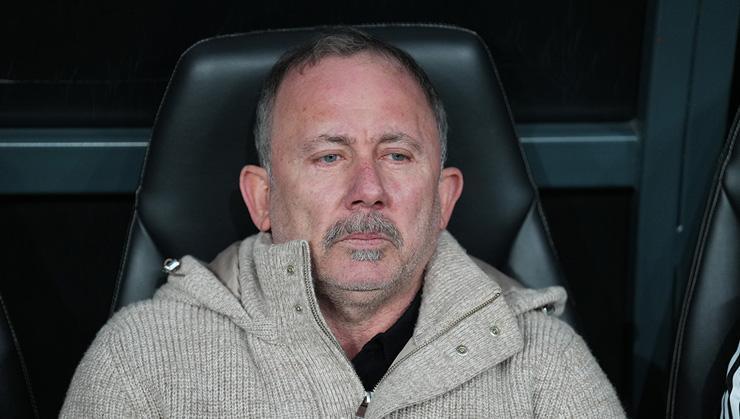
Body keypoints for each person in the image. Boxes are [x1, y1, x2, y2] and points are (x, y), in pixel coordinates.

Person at [62, 27, 624, 417]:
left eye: (397, 155)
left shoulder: (546, 366)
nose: (368, 191)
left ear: (444, 199)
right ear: (262, 199)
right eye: (329, 157)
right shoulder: (139, 363)